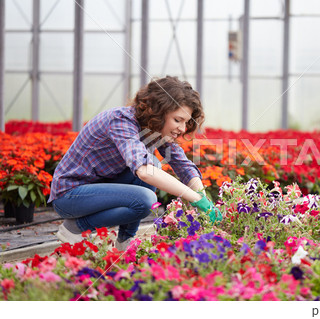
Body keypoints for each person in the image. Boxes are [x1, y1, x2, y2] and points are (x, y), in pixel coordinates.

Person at [49, 76, 222, 251]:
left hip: (99, 188)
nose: (183, 129)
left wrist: (203, 196)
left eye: (186, 122)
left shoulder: (156, 130)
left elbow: (181, 164)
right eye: (178, 120)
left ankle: (125, 242)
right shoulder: (121, 121)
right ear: (159, 112)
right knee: (146, 196)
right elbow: (145, 172)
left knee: (153, 164)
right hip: (70, 195)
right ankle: (75, 227)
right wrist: (194, 198)